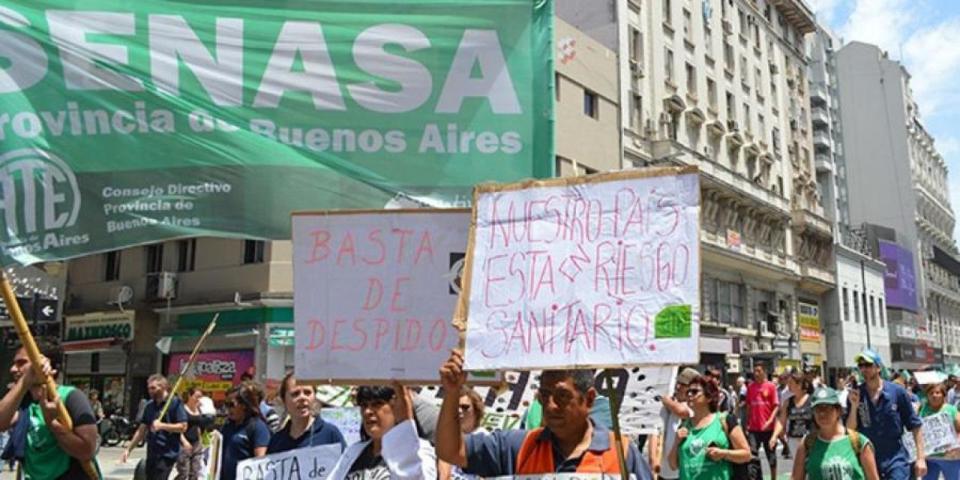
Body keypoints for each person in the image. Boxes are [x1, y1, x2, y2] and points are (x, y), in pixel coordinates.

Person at [436, 349, 653, 478]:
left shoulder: (622, 454)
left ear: (588, 399)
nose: (550, 406)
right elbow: (452, 451)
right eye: (544, 395)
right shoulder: (519, 447)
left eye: (561, 396)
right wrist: (453, 392)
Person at [0, 341, 99, 479]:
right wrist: (24, 382)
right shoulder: (22, 400)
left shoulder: (71, 397)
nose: (13, 369)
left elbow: (87, 450)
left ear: (45, 364)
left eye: (21, 363)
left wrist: (53, 424)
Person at [326, 382, 436, 480]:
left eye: (377, 404)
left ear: (397, 407)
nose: (367, 411)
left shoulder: (420, 450)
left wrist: (405, 425)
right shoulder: (352, 452)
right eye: (364, 405)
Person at [846, 350, 926, 479]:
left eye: (868, 365)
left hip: (895, 459)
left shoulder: (897, 392)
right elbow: (850, 430)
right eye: (861, 366)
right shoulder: (856, 395)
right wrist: (854, 406)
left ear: (878, 367)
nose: (864, 369)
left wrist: (920, 458)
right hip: (868, 460)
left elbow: (915, 426)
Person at [668, 376, 751, 479]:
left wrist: (724, 454)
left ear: (709, 397)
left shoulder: (724, 420)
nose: (689, 395)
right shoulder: (684, 426)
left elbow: (746, 454)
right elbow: (673, 465)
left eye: (694, 391)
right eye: (688, 392)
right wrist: (676, 442)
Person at [791, 387, 879, 480]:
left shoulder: (859, 442)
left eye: (828, 408)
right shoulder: (807, 444)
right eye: (818, 409)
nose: (822, 414)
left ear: (838, 411)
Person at [122, 374, 188, 480]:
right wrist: (129, 449)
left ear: (163, 387)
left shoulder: (175, 403)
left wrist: (162, 426)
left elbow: (183, 426)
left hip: (167, 453)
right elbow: (141, 430)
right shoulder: (149, 406)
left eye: (153, 388)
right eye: (149, 388)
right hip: (152, 453)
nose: (150, 391)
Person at [267, 373, 345, 454]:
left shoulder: (330, 434)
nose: (302, 398)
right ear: (284, 400)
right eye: (295, 394)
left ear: (315, 397)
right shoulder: (276, 442)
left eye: (307, 392)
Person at [219, 381, 270, 480]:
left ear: (244, 405)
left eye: (231, 404)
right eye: (225, 404)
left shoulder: (258, 427)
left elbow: (260, 461)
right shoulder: (227, 426)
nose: (227, 409)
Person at [655, 367, 698, 480]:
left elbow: (682, 412)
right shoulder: (672, 404)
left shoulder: (694, 405)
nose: (678, 387)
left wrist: (666, 401)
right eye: (677, 383)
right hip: (663, 471)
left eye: (682, 385)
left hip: (681, 471)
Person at [439, 387, 485, 480]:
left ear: (476, 411)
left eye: (465, 407)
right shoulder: (444, 437)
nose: (459, 411)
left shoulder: (486, 439)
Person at [919, 382, 960, 480]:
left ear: (943, 395)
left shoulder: (951, 410)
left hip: (950, 457)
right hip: (929, 457)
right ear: (927, 395)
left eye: (937, 393)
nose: (934, 395)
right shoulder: (921, 410)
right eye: (931, 393)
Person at [771, 371, 813, 467]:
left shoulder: (812, 400)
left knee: (810, 466)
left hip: (809, 440)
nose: (788, 385)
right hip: (793, 439)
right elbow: (782, 421)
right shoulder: (788, 402)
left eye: (791, 383)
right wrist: (774, 435)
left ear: (799, 384)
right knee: (798, 467)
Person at [745, 363, 779, 480]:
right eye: (755, 371)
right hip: (754, 428)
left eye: (758, 371)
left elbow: (776, 406)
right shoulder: (750, 387)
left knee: (771, 456)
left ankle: (773, 477)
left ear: (764, 372)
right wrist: (747, 423)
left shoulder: (771, 386)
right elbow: (748, 406)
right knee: (753, 455)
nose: (756, 373)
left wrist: (770, 421)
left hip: (768, 429)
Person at [176, 387, 213, 480]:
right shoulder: (182, 409)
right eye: (197, 396)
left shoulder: (199, 410)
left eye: (201, 397)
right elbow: (178, 428)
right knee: (184, 472)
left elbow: (198, 426)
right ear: (190, 396)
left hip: (196, 443)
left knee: (195, 472)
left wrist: (200, 440)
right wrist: (184, 442)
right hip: (184, 442)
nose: (199, 399)